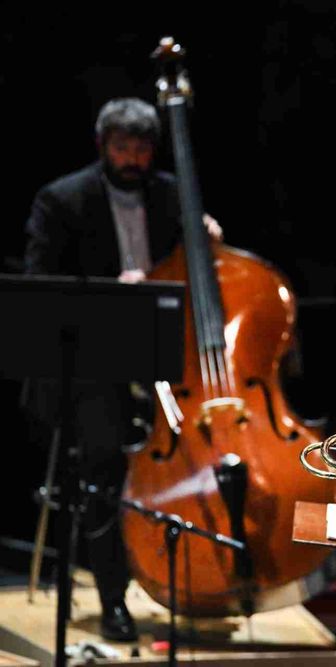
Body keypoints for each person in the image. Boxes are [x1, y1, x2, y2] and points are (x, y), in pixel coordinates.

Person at [22, 97, 220, 641]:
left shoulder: (172, 194)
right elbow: (41, 285)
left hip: (166, 356)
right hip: (93, 359)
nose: (132, 158)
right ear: (102, 146)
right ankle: (114, 599)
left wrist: (206, 239)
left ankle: (202, 583)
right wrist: (114, 292)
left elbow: (198, 261)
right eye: (122, 147)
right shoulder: (62, 199)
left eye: (141, 148)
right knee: (106, 468)